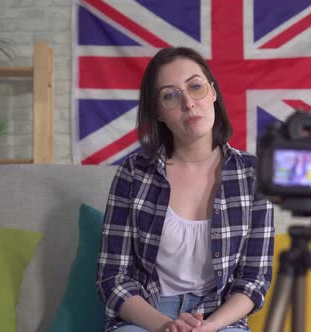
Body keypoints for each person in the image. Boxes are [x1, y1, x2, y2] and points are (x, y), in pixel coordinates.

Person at [96, 46, 275, 332]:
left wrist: (210, 326)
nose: (188, 104)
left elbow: (254, 280)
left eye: (195, 87)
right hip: (146, 316)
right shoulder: (133, 173)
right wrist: (167, 325)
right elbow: (113, 278)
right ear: (157, 112)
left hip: (219, 318)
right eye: (170, 95)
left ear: (213, 92)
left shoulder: (254, 174)